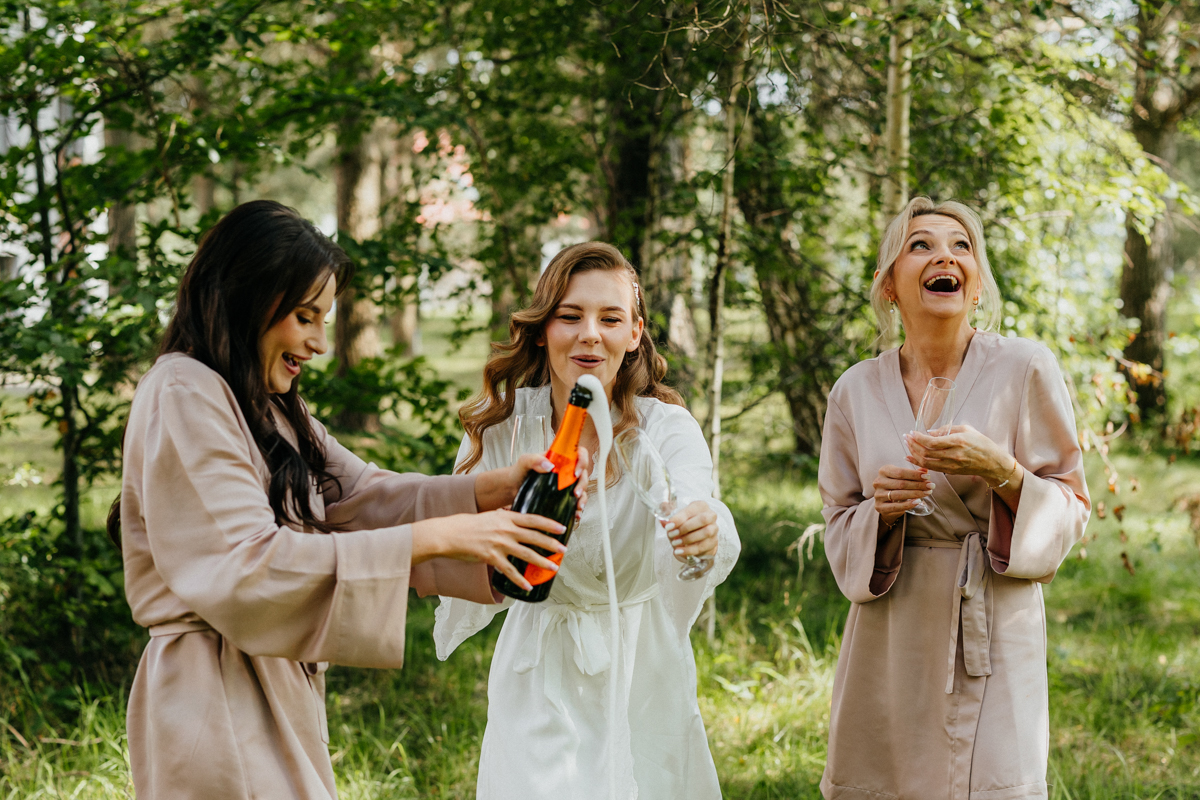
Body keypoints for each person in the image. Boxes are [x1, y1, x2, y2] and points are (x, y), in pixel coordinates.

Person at [110, 200, 587, 800]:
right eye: (304, 317)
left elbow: (360, 495)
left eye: (324, 320)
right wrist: (443, 537)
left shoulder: (269, 405)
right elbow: (246, 565)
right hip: (213, 698)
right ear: (247, 297)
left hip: (274, 686)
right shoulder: (184, 390)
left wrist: (488, 492)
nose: (317, 343)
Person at [433, 242, 740, 800]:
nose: (590, 334)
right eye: (570, 316)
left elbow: (693, 504)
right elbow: (457, 543)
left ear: (635, 332)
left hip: (641, 661)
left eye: (610, 319)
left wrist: (701, 531)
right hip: (539, 658)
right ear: (543, 330)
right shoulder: (503, 431)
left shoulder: (666, 429)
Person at [817, 197, 1091, 800]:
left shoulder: (1025, 367)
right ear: (889, 285)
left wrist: (1004, 473)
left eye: (961, 246)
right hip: (892, 631)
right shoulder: (854, 390)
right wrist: (880, 512)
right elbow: (838, 521)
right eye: (921, 245)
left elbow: (1072, 507)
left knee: (993, 782)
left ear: (976, 283)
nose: (945, 256)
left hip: (993, 624)